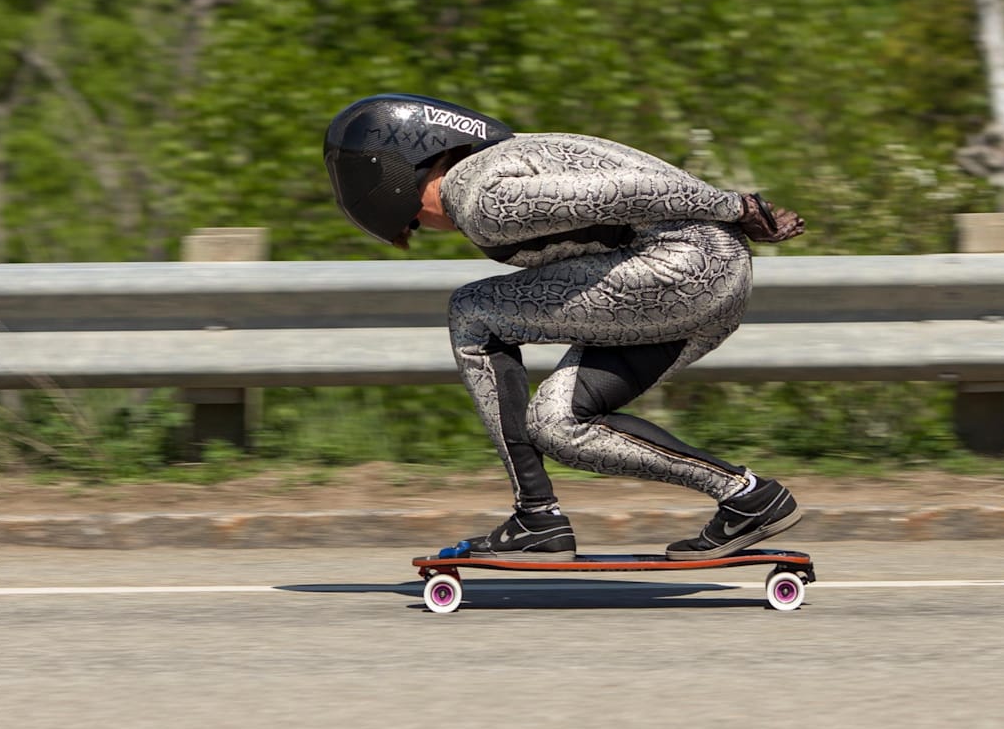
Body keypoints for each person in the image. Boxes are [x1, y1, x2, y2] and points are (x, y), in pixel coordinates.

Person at [323, 93, 806, 561]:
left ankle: (536, 516)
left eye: (414, 223)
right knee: (558, 426)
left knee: (472, 312)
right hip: (703, 280)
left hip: (681, 268)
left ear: (391, 180)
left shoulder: (478, 196)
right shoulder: (498, 162)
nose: (421, 228)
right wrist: (731, 214)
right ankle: (748, 497)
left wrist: (735, 208)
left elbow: (629, 191)